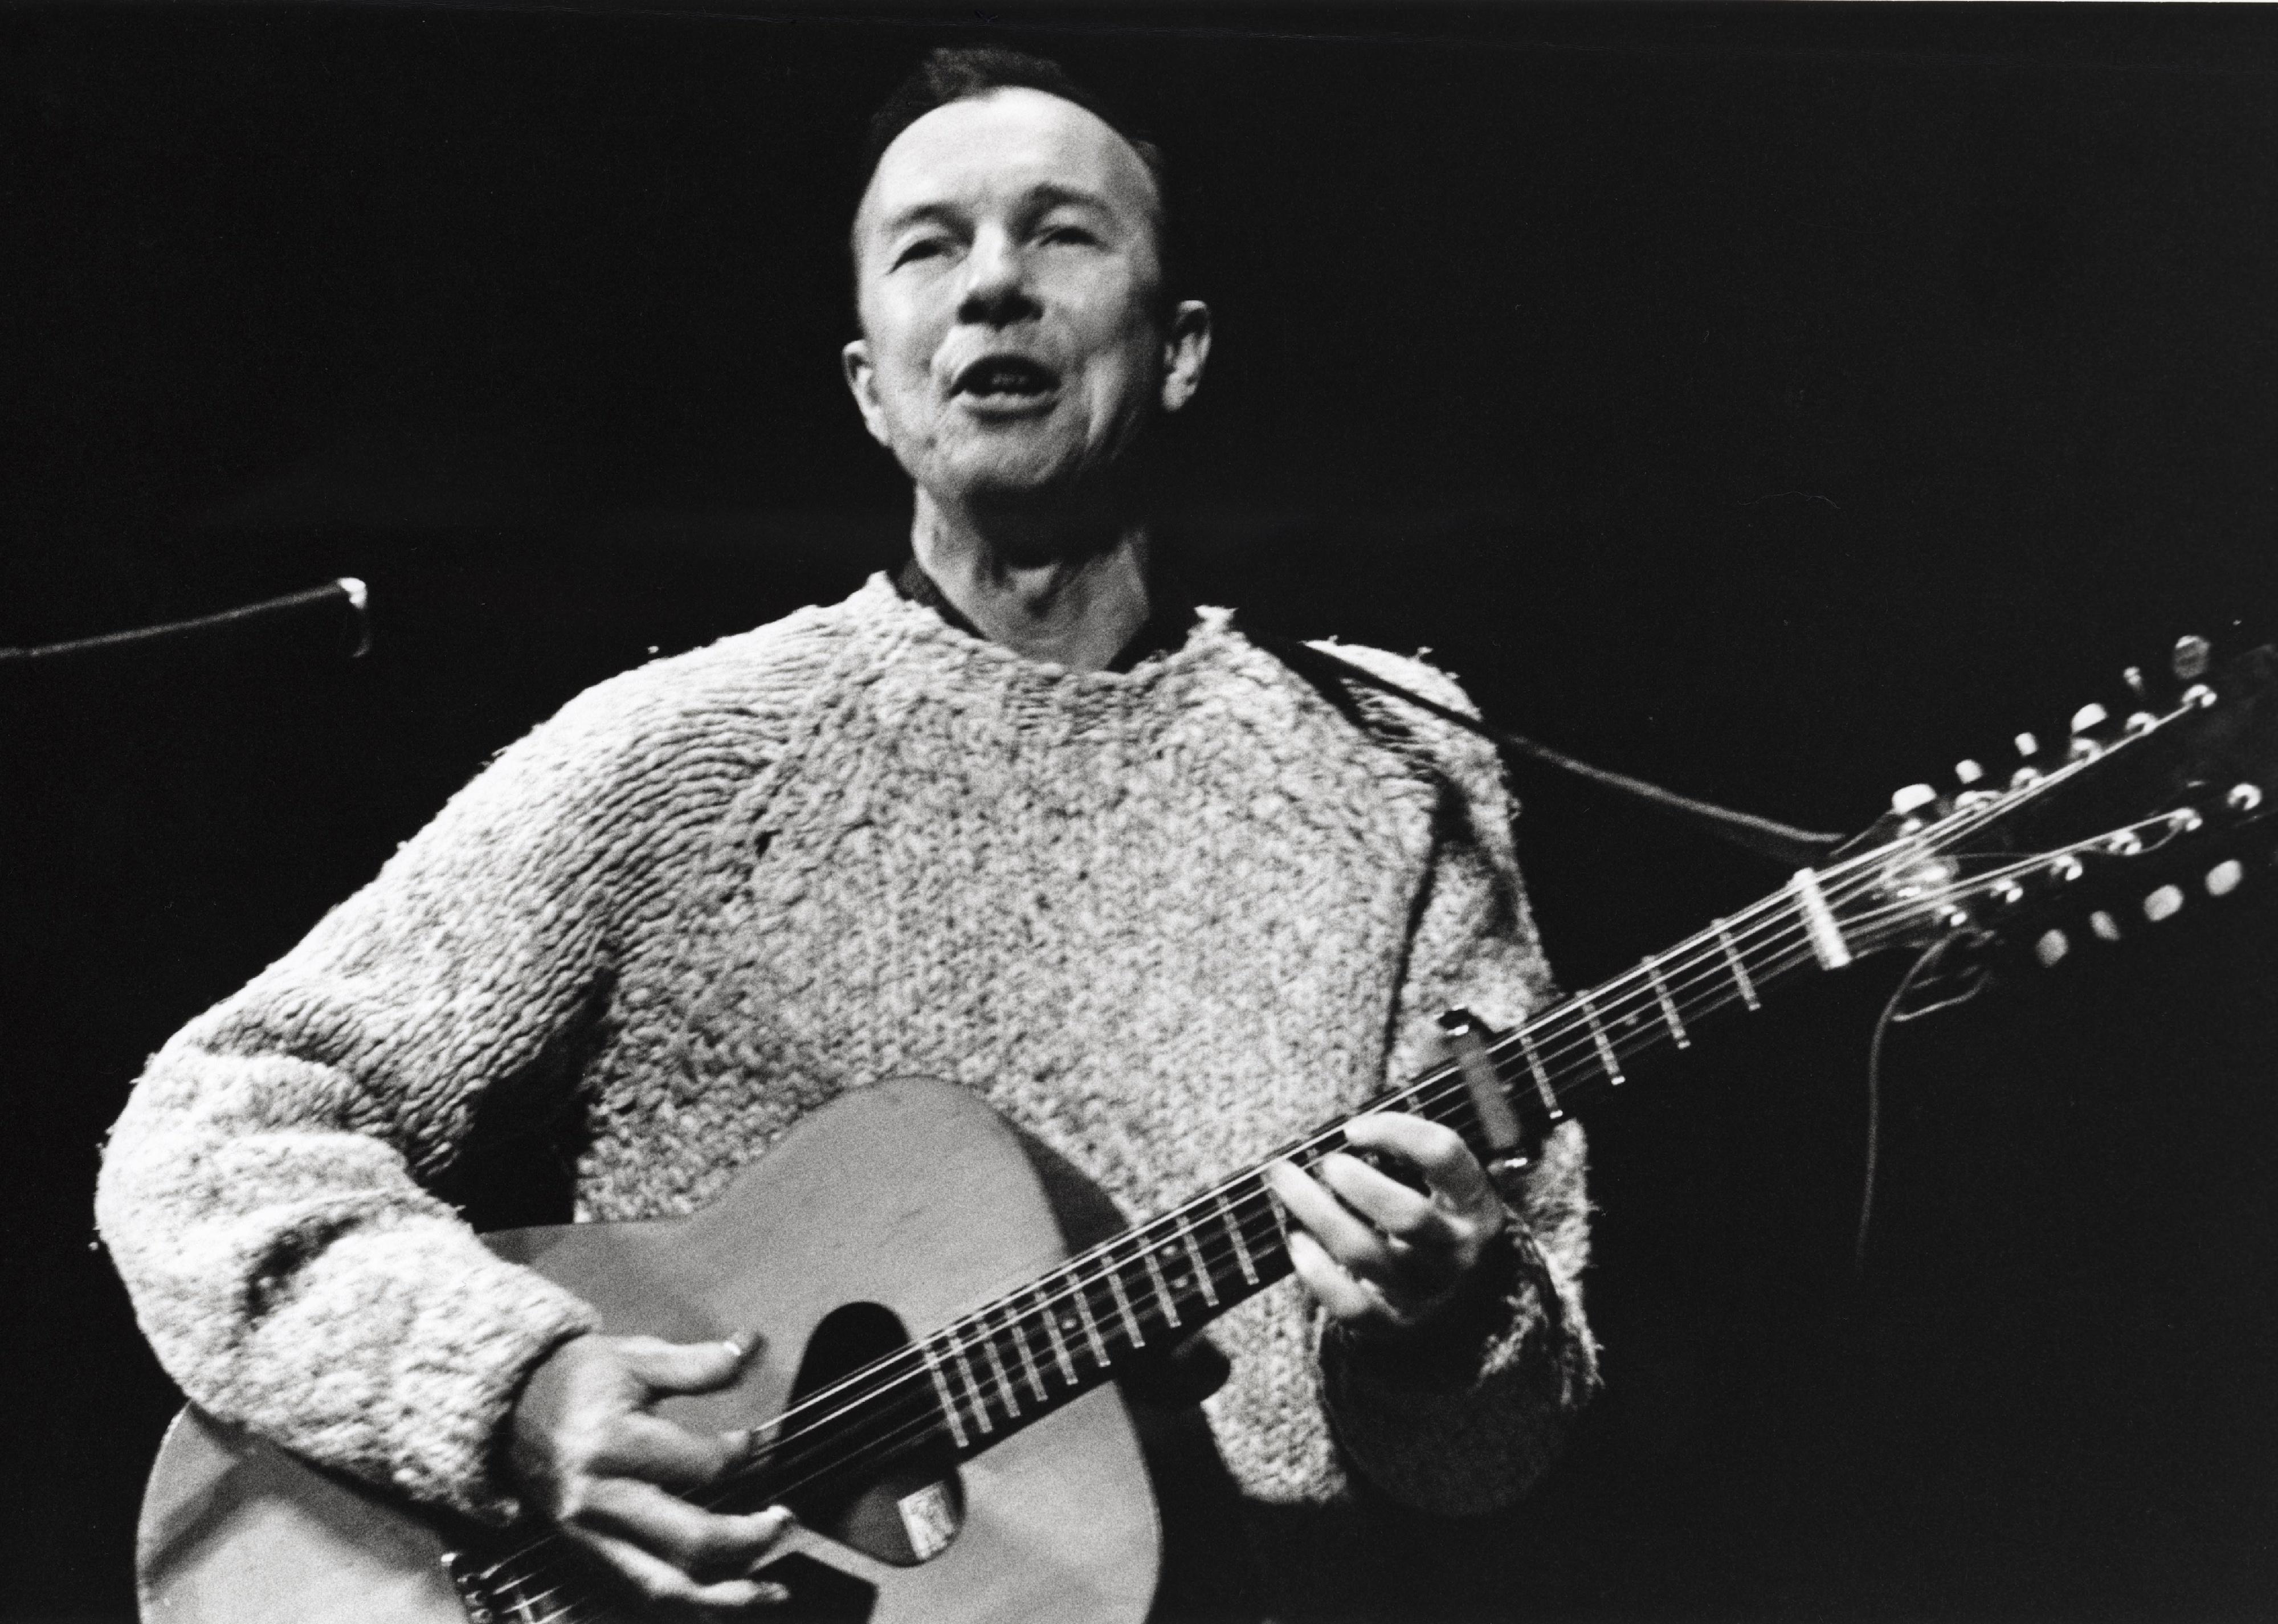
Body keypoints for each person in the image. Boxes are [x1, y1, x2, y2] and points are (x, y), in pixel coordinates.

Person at [96, 46, 1599, 1621]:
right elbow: (212, 1131)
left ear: (1181, 349)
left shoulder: (1399, 763)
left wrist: (1442, 1317)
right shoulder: (690, 753)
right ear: (872, 382)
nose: (996, 286)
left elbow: (1496, 1454)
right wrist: (513, 1393)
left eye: (1063, 233)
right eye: (931, 246)